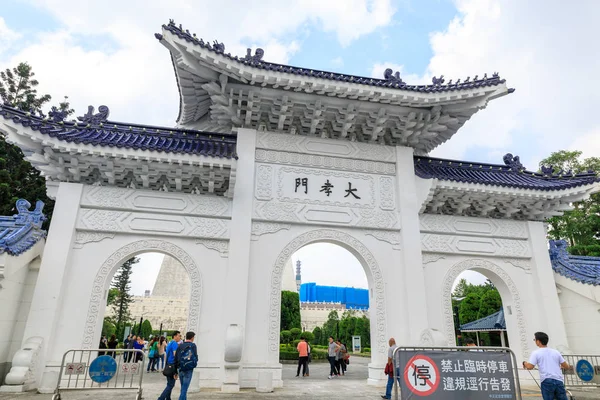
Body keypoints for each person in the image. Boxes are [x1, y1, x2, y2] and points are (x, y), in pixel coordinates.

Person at [523, 332, 570, 400]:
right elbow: (566, 366)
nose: (535, 341)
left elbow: (530, 366)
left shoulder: (536, 353)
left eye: (535, 339)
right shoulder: (556, 352)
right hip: (558, 380)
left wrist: (525, 363)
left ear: (538, 341)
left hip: (546, 381)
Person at [158, 331, 181, 400]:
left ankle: (168, 398)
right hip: (172, 365)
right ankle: (161, 398)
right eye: (179, 335)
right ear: (175, 336)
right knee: (171, 385)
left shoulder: (170, 343)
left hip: (168, 364)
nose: (180, 337)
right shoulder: (174, 344)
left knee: (169, 383)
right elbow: (175, 355)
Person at [175, 331, 198, 400]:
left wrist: (175, 371)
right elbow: (195, 357)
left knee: (183, 388)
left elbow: (176, 358)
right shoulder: (193, 345)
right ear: (192, 338)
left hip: (180, 368)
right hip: (189, 369)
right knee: (184, 389)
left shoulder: (180, 346)